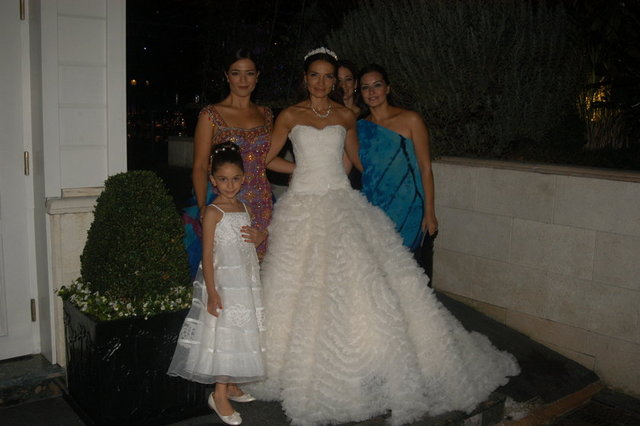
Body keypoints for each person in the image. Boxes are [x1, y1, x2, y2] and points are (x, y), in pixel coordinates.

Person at [246, 47, 519, 426]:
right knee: (298, 284)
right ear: (305, 79)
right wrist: (303, 169)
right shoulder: (290, 115)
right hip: (303, 205)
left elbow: (358, 162)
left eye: (329, 76)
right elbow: (265, 160)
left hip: (342, 203)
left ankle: (369, 362)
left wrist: (399, 175)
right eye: (315, 75)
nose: (322, 82)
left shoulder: (346, 115)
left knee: (359, 283)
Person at [168, 142, 267, 426]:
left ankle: (231, 384)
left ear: (243, 178)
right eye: (223, 179)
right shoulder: (212, 212)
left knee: (241, 328)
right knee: (225, 331)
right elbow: (208, 255)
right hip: (224, 282)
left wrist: (260, 237)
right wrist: (212, 292)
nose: (230, 185)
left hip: (245, 281)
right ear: (213, 180)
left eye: (235, 178)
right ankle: (219, 393)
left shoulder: (244, 207)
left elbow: (248, 242)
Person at [183, 48, 291, 278]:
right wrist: (203, 207)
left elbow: (266, 160)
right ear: (226, 76)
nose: (243, 80)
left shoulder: (266, 114)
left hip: (262, 202)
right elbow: (200, 166)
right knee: (228, 273)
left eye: (249, 73)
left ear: (257, 76)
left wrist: (306, 169)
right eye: (236, 73)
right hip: (226, 202)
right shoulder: (211, 115)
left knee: (265, 275)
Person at [357, 63, 437, 278]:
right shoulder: (359, 128)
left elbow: (425, 168)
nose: (372, 92)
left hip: (409, 206)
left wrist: (429, 212)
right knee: (381, 272)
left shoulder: (411, 119)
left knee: (410, 272)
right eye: (365, 87)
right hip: (374, 208)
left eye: (377, 85)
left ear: (388, 88)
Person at [337, 59, 363, 189]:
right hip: (335, 179)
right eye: (339, 80)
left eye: (348, 79)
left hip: (363, 177)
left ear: (355, 83)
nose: (343, 85)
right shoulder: (328, 116)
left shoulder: (367, 115)